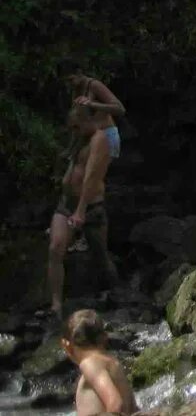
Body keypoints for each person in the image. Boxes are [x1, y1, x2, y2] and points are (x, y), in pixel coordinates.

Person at [48, 109, 119, 318]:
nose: (74, 131)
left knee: (101, 257)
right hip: (66, 204)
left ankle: (117, 295)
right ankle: (56, 305)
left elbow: (91, 178)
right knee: (55, 248)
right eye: (72, 128)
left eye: (77, 127)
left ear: (89, 121)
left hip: (89, 207)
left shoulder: (100, 140)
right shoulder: (79, 139)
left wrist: (80, 211)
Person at [60, 309, 136, 416]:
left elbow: (116, 404)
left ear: (66, 346)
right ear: (103, 338)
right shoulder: (114, 363)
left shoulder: (90, 364)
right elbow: (133, 409)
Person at [64, 69, 125, 161]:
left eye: (70, 80)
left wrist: (92, 104)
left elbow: (120, 109)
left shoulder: (94, 85)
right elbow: (78, 123)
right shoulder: (76, 89)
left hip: (106, 135)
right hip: (88, 138)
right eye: (66, 81)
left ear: (79, 73)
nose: (68, 84)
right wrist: (70, 148)